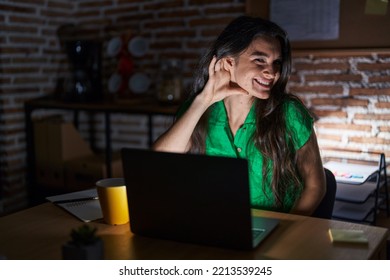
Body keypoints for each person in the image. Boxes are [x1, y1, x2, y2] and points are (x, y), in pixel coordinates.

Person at [152, 15, 326, 216]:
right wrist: (203, 100)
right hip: (218, 224)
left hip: (277, 230)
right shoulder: (201, 109)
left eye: (276, 62)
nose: (272, 72)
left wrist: (287, 234)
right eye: (259, 60)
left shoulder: (289, 111)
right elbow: (158, 162)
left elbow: (316, 186)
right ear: (228, 63)